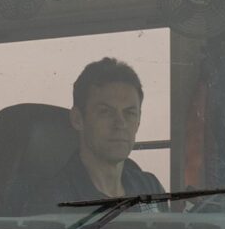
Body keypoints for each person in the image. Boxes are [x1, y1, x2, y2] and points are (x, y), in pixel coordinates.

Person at [53, 56, 161, 203]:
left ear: (139, 121)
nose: (120, 124)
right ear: (77, 119)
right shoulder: (55, 198)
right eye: (106, 112)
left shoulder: (149, 187)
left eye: (129, 113)